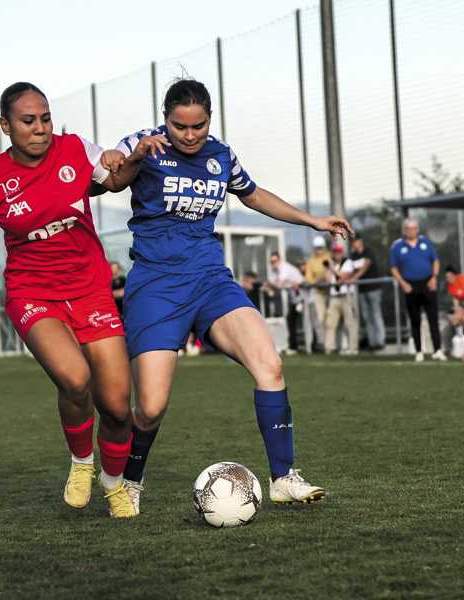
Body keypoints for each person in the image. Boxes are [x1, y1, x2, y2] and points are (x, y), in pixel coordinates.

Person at [102, 78, 352, 513]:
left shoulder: (221, 154)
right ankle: (131, 478)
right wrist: (134, 158)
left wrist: (310, 220)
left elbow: (252, 194)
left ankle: (283, 478)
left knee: (269, 364)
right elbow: (110, 182)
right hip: (157, 285)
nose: (190, 134)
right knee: (150, 408)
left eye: (198, 125)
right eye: (180, 126)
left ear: (209, 119)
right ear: (166, 119)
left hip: (210, 280)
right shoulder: (143, 144)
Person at [0, 82, 137, 518]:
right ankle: (82, 463)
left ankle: (114, 485)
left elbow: (115, 180)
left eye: (45, 118)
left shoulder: (76, 149)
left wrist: (128, 159)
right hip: (33, 294)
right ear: (6, 126)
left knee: (118, 407)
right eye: (28, 121)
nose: (40, 128)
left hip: (91, 289)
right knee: (75, 379)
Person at [389, 217, 446, 362]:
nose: (411, 231)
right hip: (410, 285)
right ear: (404, 230)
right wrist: (403, 283)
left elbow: (435, 261)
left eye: (414, 228)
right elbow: (394, 268)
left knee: (433, 318)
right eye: (408, 228)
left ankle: (438, 350)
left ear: (418, 229)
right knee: (415, 320)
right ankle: (419, 351)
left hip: (427, 284)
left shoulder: (425, 242)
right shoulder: (397, 246)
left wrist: (434, 278)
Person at [348, 233, 384, 350]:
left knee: (376, 314)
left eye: (356, 241)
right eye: (352, 242)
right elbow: (351, 269)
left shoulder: (368, 251)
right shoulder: (353, 255)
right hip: (362, 289)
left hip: (373, 288)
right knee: (367, 316)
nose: (354, 243)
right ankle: (372, 342)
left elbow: (366, 265)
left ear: (360, 241)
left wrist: (355, 278)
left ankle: (380, 341)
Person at [323, 241, 358, 355]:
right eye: (335, 252)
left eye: (338, 252)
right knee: (330, 323)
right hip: (334, 297)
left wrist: (333, 269)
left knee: (349, 323)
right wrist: (328, 269)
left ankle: (353, 348)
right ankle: (329, 348)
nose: (337, 254)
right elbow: (328, 280)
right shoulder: (331, 264)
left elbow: (344, 276)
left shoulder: (348, 262)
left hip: (346, 295)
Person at [265, 251, 304, 351]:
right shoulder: (275, 269)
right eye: (271, 261)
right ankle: (292, 346)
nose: (273, 263)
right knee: (290, 321)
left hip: (301, 296)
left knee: (302, 322)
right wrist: (270, 284)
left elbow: (278, 284)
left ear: (279, 259)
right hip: (292, 298)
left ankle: (305, 346)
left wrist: (270, 284)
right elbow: (272, 283)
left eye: (275, 261)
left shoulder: (284, 268)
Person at [304, 236, 332, 351]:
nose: (319, 250)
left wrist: (324, 277)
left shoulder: (330, 257)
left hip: (331, 292)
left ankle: (333, 344)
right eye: (317, 248)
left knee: (331, 319)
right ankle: (323, 344)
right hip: (318, 293)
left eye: (320, 248)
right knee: (320, 319)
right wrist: (320, 279)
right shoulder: (311, 261)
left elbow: (331, 274)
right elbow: (309, 279)